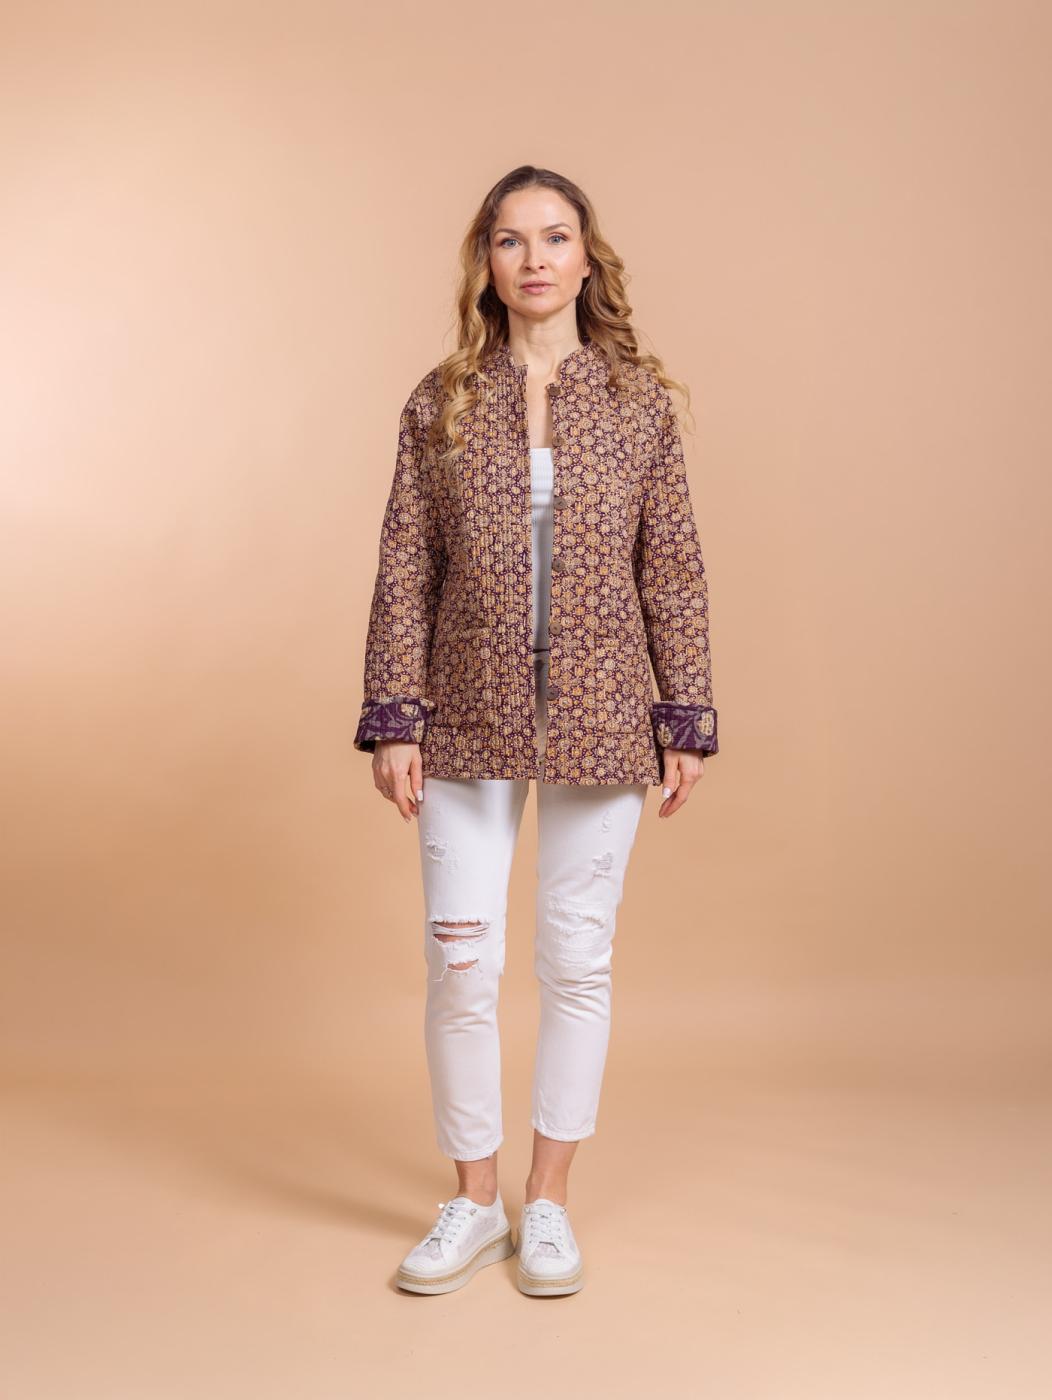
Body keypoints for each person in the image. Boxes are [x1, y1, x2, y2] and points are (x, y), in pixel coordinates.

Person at [353, 165, 720, 1296]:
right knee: (460, 963)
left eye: (554, 237)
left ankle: (546, 1202)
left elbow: (672, 567)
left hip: (604, 717)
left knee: (576, 959)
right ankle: (472, 1202)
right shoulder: (442, 400)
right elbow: (405, 564)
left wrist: (684, 714)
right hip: (465, 711)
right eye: (510, 240)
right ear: (487, 262)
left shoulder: (638, 403)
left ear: (585, 255)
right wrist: (395, 715)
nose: (534, 259)